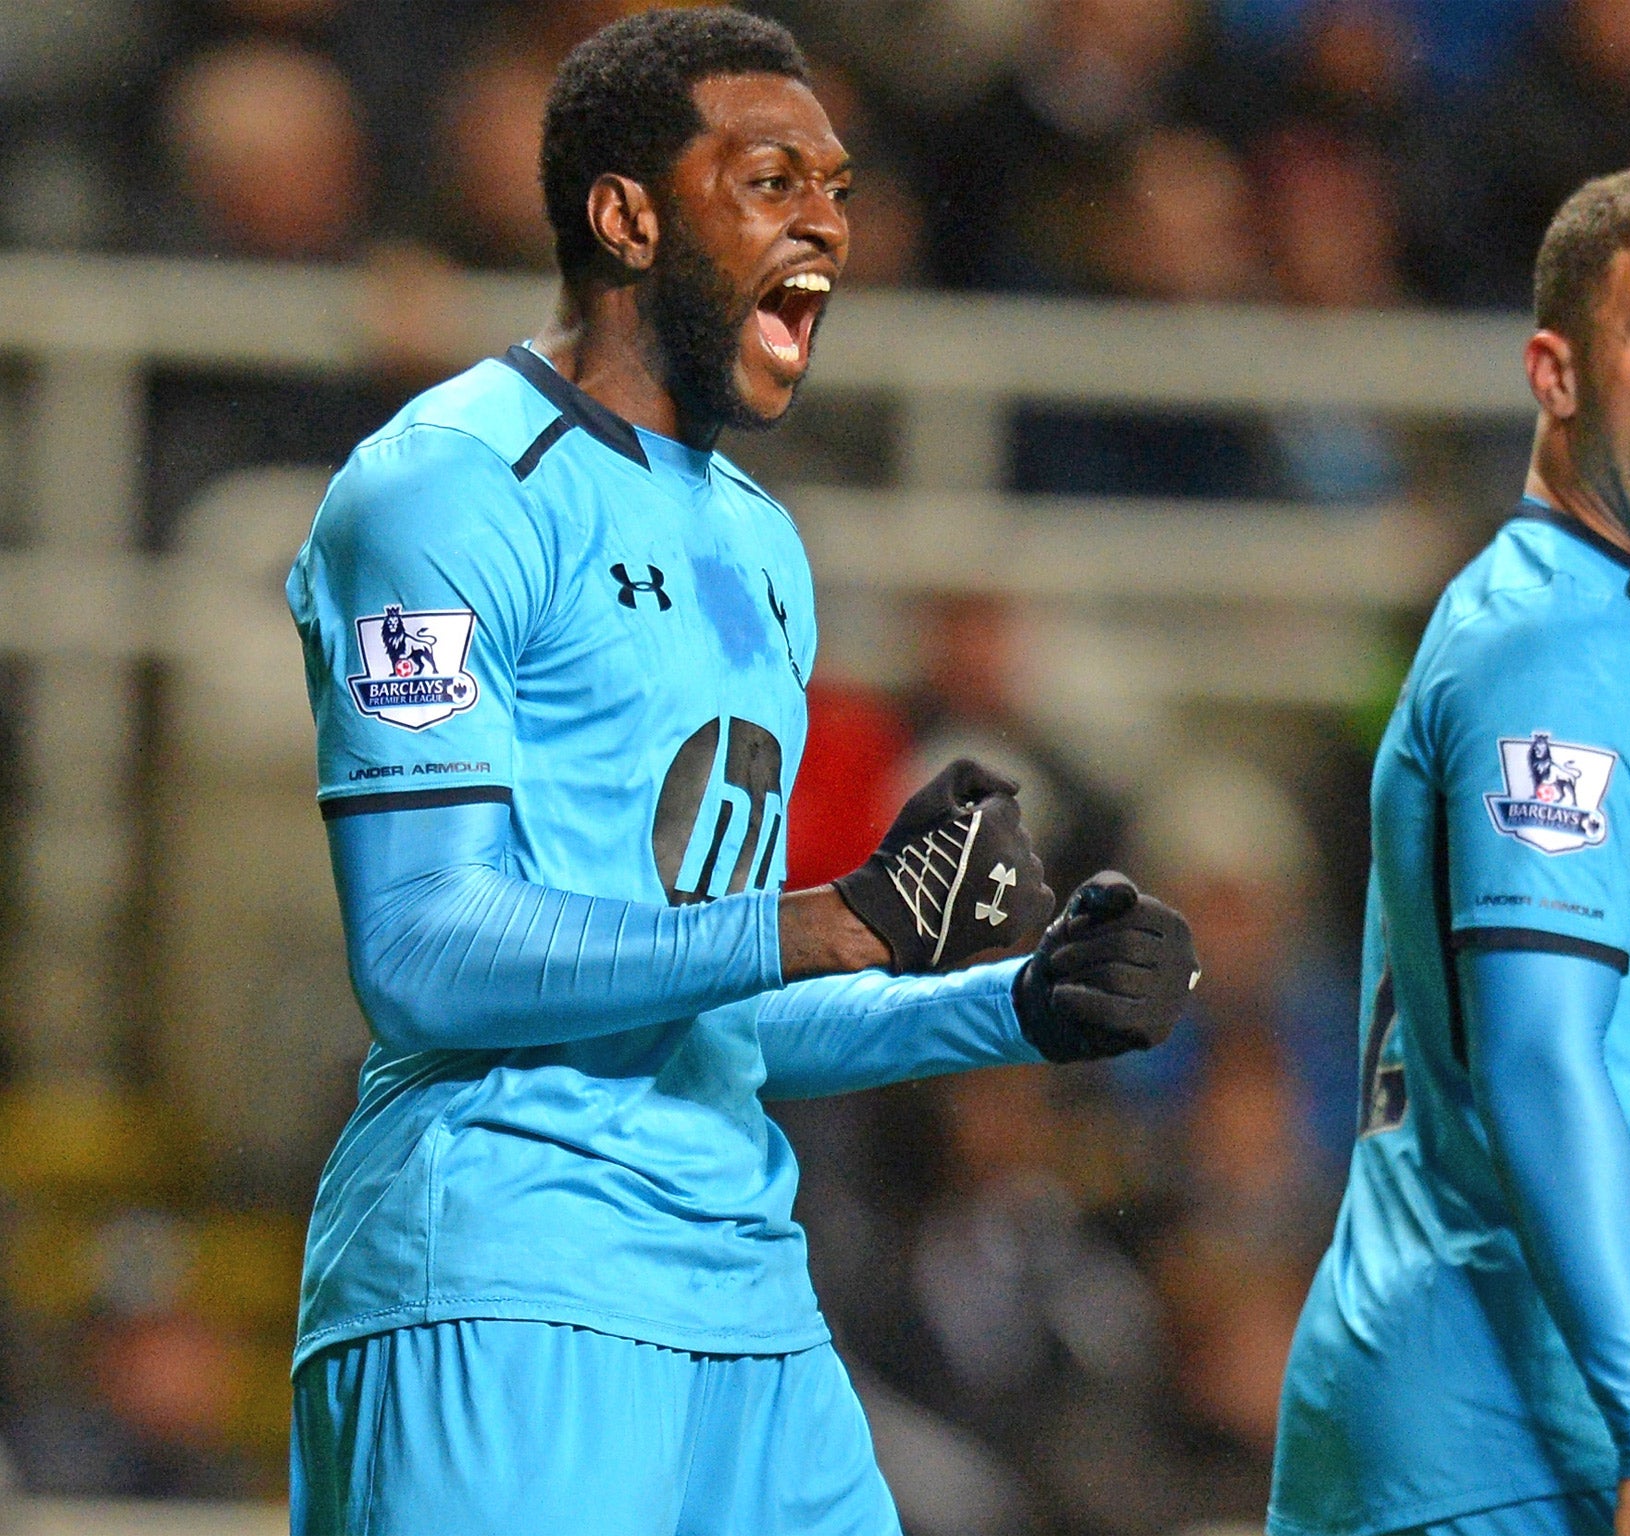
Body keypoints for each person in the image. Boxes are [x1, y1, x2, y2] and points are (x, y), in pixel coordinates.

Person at [281, 11, 1199, 1535]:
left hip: (745, 1292)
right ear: (626, 215)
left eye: (836, 183)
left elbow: (717, 1007)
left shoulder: (762, 544)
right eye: (773, 179)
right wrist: (831, 916)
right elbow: (420, 954)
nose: (828, 219)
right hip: (511, 1272)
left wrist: (1011, 1004)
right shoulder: (442, 487)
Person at [1269, 166, 1630, 1536]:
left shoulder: (1613, 629)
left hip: (1501, 1407)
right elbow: (1535, 1053)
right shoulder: (1568, 652)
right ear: (1554, 373)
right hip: (1527, 1422)